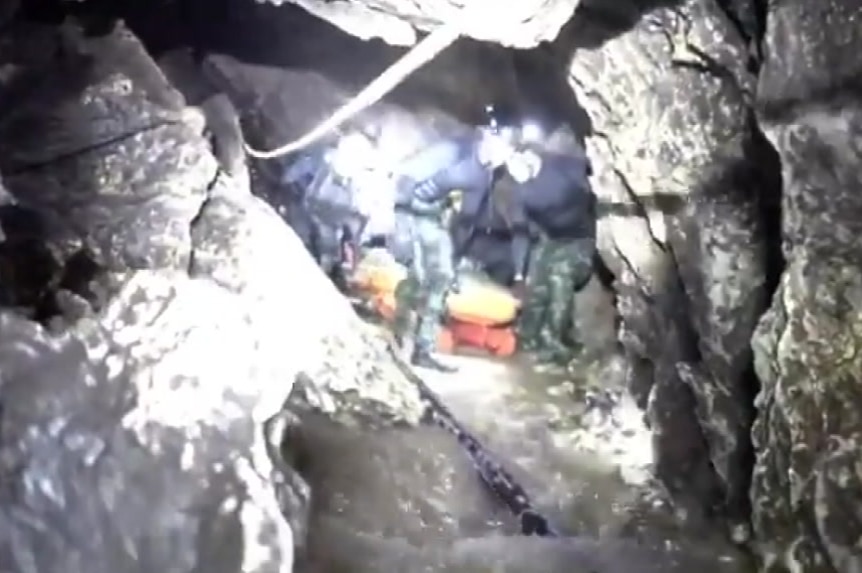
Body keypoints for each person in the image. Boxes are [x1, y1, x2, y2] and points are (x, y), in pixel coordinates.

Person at [389, 120, 523, 372]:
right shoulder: (454, 150)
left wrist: (455, 256)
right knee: (417, 276)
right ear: (485, 137)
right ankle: (398, 335)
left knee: (441, 279)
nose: (502, 152)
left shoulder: (486, 176)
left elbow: (466, 221)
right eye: (499, 143)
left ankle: (423, 349)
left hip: (437, 221)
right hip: (412, 213)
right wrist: (401, 229)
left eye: (508, 149)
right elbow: (405, 178)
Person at [508, 142, 597, 363]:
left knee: (559, 274)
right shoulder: (521, 193)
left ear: (529, 157)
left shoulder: (561, 165)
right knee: (538, 279)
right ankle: (529, 335)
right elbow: (521, 233)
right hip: (553, 239)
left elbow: (591, 169)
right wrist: (520, 274)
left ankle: (556, 344)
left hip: (582, 238)